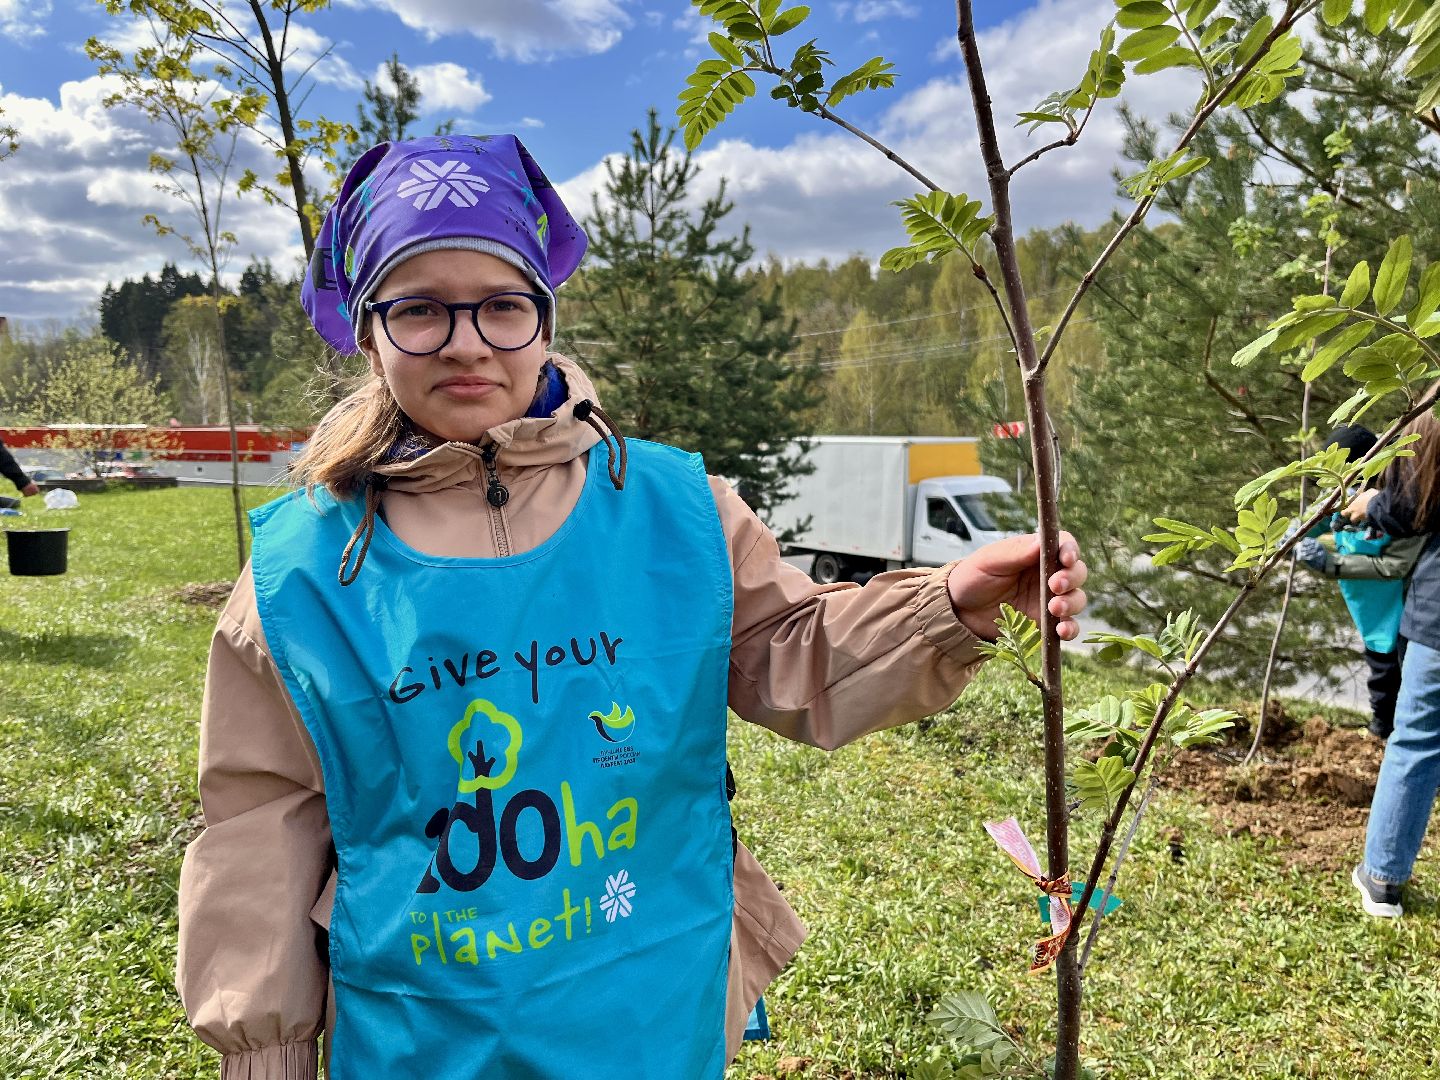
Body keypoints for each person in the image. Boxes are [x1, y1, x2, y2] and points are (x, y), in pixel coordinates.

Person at [175, 134, 1089, 1079]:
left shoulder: (675, 512)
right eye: (419, 311)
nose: (466, 343)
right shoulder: (303, 570)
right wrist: (265, 1053)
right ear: (368, 333)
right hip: (425, 1030)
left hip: (655, 1004)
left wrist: (949, 602)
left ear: (545, 316)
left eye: (501, 305)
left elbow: (792, 652)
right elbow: (258, 827)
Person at [1344, 410, 1440, 917]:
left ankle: (1382, 879)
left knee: (1417, 741)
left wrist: (1374, 502)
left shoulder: (1428, 424)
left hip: (1436, 621)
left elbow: (1410, 510)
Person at [1293, 425, 1423, 740]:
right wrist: (1295, 533)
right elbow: (1320, 516)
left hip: (1406, 606)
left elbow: (1396, 565)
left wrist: (1330, 562)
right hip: (1370, 607)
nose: (1345, 492)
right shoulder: (1341, 497)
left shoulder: (1403, 503)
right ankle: (1381, 734)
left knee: (1407, 679)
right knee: (1380, 673)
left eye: (1352, 482)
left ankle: (1407, 740)